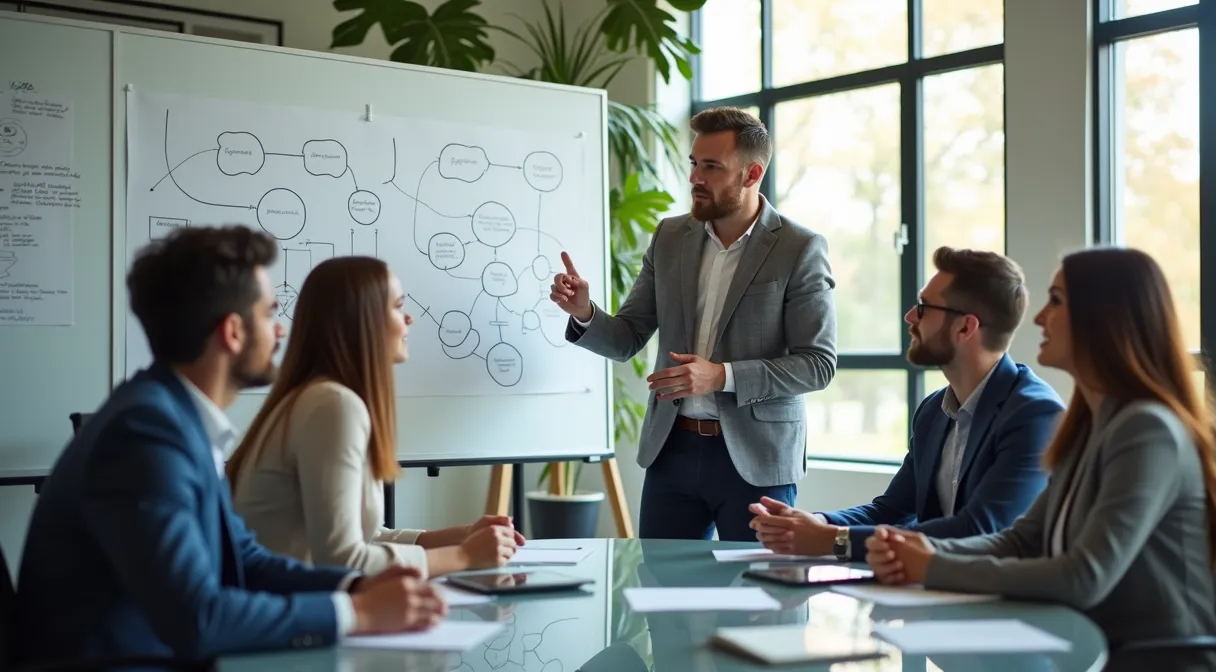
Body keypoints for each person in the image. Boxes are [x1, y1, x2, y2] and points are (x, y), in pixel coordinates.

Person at [14, 226, 446, 666]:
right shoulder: (144, 435)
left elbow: (246, 560)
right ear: (233, 332)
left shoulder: (175, 418)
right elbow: (198, 618)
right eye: (269, 314)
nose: (281, 331)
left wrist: (354, 587)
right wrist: (357, 613)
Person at [866, 247, 1216, 671]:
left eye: (1056, 301)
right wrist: (921, 551)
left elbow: (1082, 577)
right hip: (1083, 649)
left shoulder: (1147, 430)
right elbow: (1022, 541)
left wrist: (932, 565)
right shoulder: (1088, 425)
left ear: (1104, 318)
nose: (1040, 318)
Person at [550, 106, 837, 541]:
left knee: (757, 585)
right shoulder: (669, 237)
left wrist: (720, 376)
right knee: (660, 582)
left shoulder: (799, 247)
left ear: (752, 174)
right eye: (694, 163)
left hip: (757, 459)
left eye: (711, 167)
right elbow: (628, 337)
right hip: (672, 452)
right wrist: (584, 312)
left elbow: (818, 364)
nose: (695, 178)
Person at [748, 247, 1064, 559]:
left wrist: (833, 539)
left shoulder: (1034, 414)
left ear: (965, 327)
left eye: (924, 307)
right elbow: (893, 510)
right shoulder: (933, 411)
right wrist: (817, 523)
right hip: (934, 585)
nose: (910, 316)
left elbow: (979, 530)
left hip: (998, 590)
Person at [228, 256, 522, 578]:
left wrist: (459, 538)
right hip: (295, 606)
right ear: (362, 320)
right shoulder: (331, 405)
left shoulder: (319, 398)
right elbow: (342, 560)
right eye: (398, 306)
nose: (409, 318)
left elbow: (364, 538)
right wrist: (463, 556)